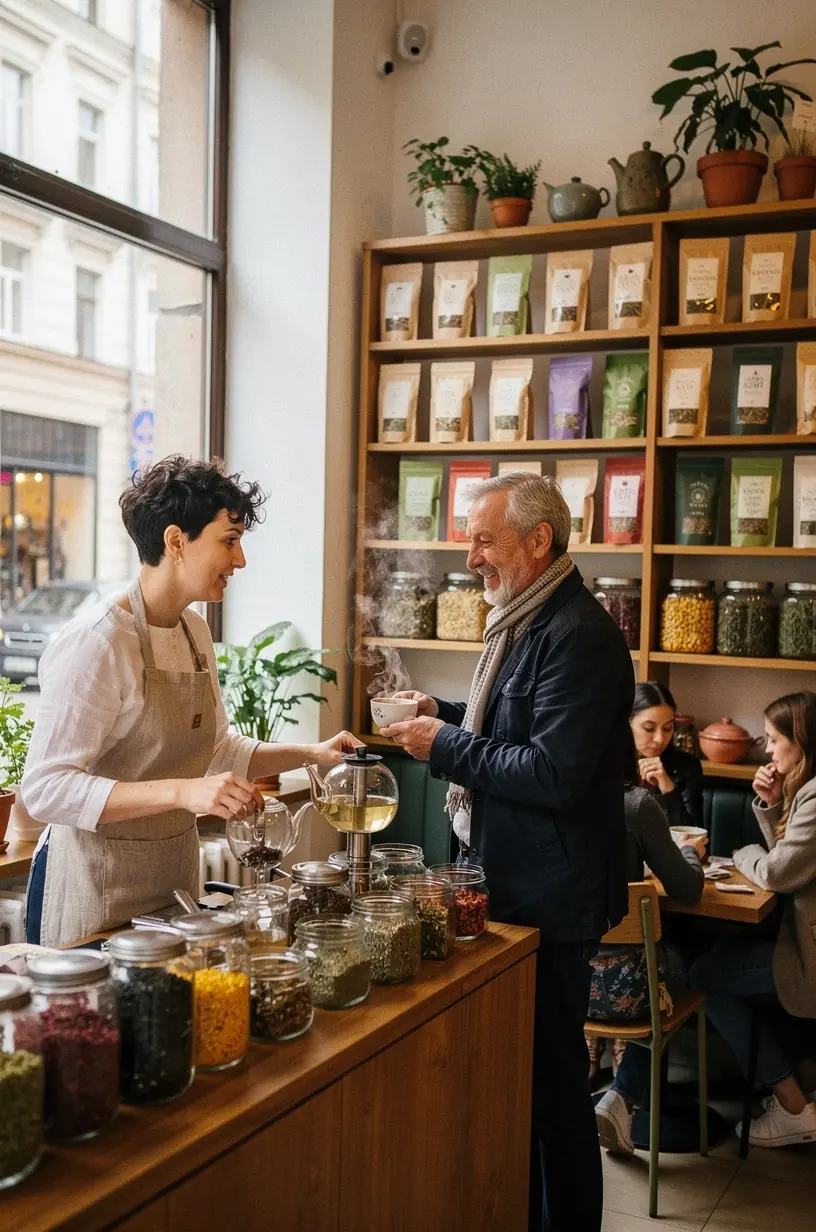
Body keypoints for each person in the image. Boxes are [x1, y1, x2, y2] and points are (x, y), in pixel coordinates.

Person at [379, 472, 633, 1232]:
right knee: (522, 1087)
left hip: (552, 896)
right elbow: (516, 728)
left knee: (555, 1095)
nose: (470, 557)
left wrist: (444, 743)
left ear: (538, 541)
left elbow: (550, 774)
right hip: (517, 884)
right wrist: (443, 712)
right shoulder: (527, 620)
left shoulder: (579, 635)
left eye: (484, 539)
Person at [23, 456, 359, 948]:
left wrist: (314, 753)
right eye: (229, 541)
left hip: (173, 891)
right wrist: (183, 793)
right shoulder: (97, 642)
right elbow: (46, 789)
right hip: (95, 893)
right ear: (176, 541)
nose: (240, 560)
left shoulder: (194, 629)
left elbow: (217, 748)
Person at [690, 691, 816, 1148]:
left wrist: (742, 853)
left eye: (772, 739)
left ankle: (793, 1108)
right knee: (722, 959)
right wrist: (772, 803)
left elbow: (778, 872)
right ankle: (804, 1090)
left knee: (704, 975)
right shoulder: (807, 791)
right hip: (802, 943)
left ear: (799, 741)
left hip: (809, 955)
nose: (765, 749)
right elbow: (793, 861)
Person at [591, 751, 706, 1155]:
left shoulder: (551, 792)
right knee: (702, 963)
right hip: (631, 991)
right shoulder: (636, 804)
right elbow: (688, 890)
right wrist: (690, 850)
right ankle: (622, 1097)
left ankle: (619, 1097)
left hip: (564, 980)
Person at [630, 681, 704, 831]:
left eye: (667, 728)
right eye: (649, 728)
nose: (659, 739)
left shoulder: (687, 766)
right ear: (627, 722)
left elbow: (695, 836)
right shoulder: (607, 764)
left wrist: (668, 789)